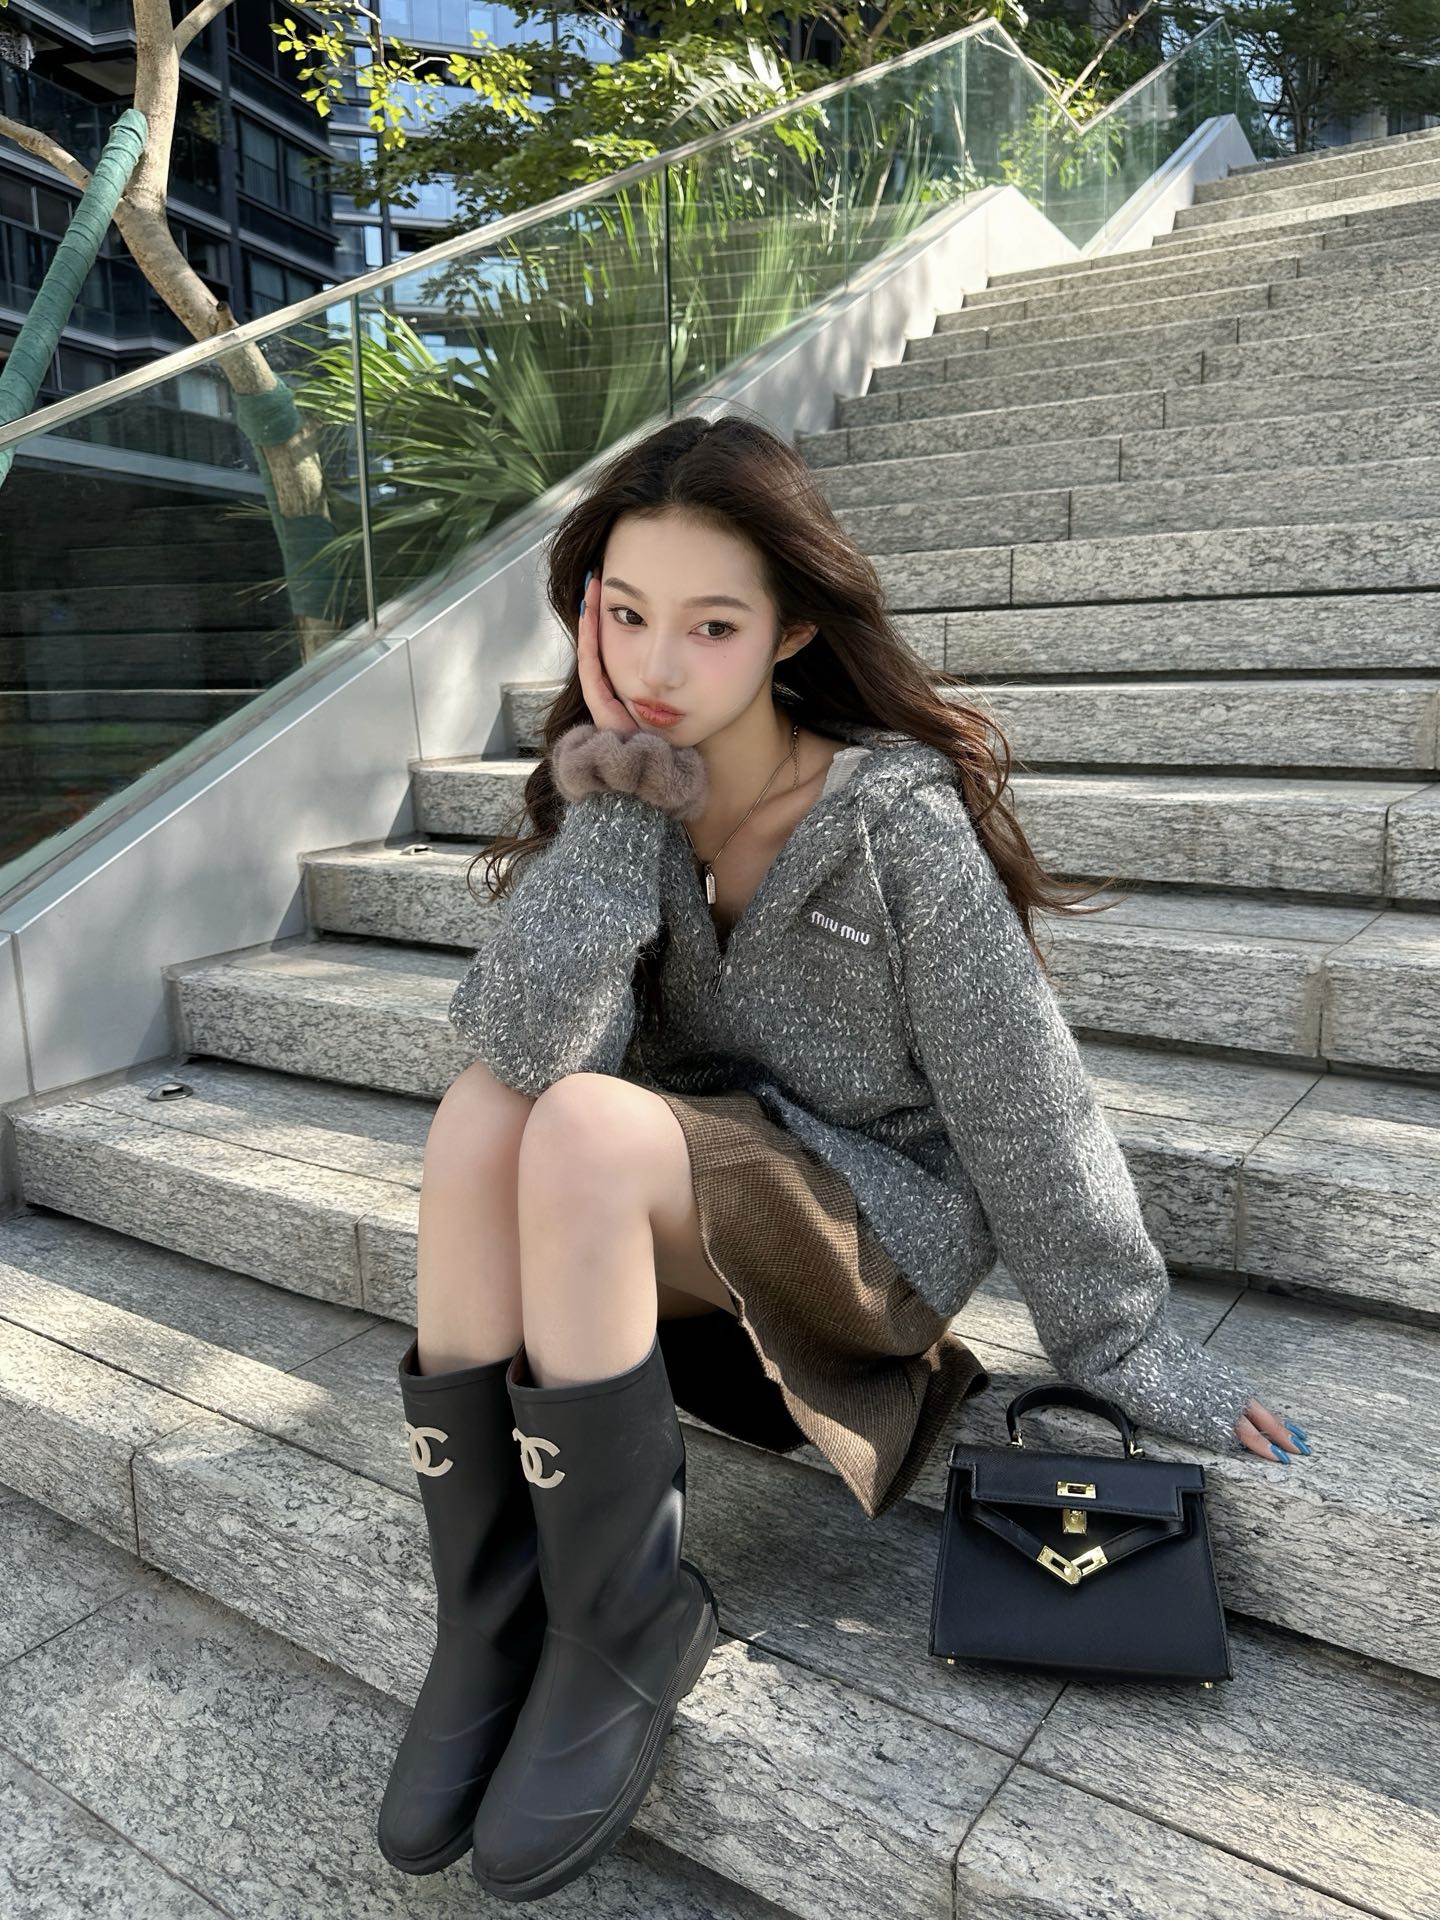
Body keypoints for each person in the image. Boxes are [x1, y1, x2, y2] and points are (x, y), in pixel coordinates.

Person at [377, 410, 1310, 1901]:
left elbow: (1025, 1101)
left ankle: (624, 1622)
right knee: (495, 1109)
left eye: (712, 626)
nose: (657, 665)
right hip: (656, 1227)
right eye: (626, 615)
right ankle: (494, 1617)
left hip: (869, 1244)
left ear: (791, 632)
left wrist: (1123, 1340)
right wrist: (618, 814)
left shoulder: (893, 828)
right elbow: (524, 1042)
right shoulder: (619, 785)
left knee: (580, 1123)